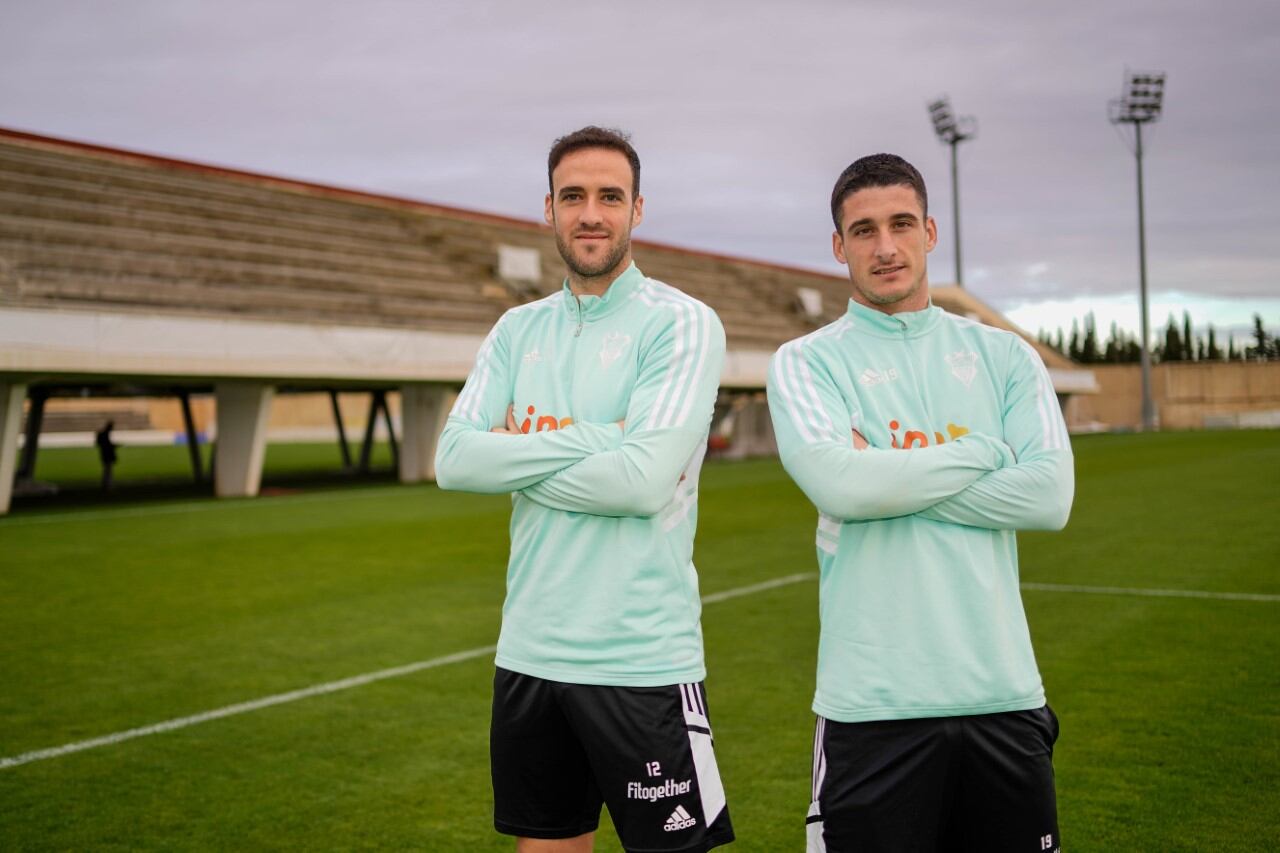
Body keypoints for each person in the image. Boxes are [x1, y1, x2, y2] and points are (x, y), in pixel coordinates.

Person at [435, 126, 733, 853]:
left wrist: (517, 448)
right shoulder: (515, 330)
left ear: (638, 209)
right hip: (530, 652)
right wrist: (600, 433)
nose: (590, 213)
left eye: (609, 196)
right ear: (548, 208)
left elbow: (640, 481)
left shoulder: (683, 323)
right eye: (574, 196)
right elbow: (454, 460)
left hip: (641, 658)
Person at [766, 153, 1073, 853]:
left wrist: (884, 473)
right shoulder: (808, 362)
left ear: (930, 231)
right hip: (872, 708)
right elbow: (841, 486)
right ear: (838, 247)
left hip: (1003, 696)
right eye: (864, 230)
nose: (885, 246)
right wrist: (986, 451)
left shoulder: (1005, 357)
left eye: (901, 224)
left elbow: (1049, 495)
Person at [95, 419, 118, 491]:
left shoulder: (104, 434)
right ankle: (107, 485)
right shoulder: (104, 434)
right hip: (106, 454)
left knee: (107, 470)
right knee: (108, 470)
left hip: (104, 454)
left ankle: (106, 484)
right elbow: (106, 445)